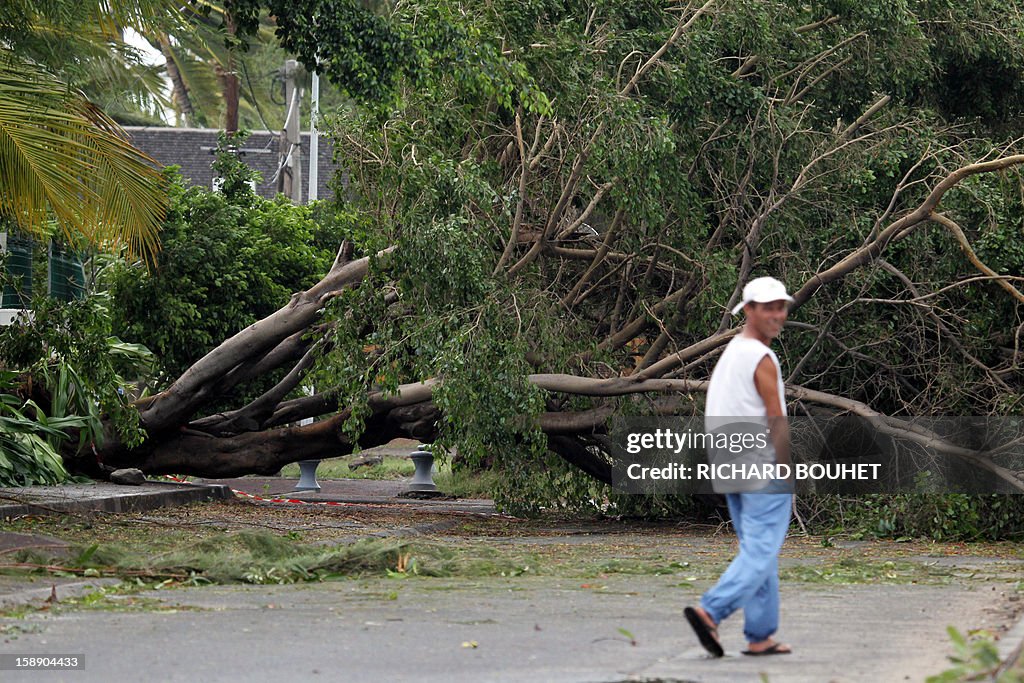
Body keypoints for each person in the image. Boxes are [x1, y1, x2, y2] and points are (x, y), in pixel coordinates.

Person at [684, 276, 795, 658]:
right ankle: (710, 610)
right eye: (768, 308)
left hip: (729, 464)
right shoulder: (761, 357)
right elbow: (776, 419)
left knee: (757, 550)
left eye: (781, 307)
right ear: (747, 310)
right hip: (760, 466)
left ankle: (760, 635)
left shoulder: (733, 352)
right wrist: (785, 469)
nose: (777, 315)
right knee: (762, 549)